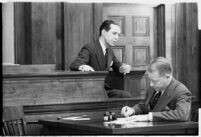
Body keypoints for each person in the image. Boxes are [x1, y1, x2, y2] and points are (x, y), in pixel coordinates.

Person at [70, 20, 132, 98]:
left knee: (126, 95)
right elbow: (75, 64)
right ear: (103, 32)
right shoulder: (90, 48)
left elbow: (117, 64)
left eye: (118, 35)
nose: (116, 38)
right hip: (90, 91)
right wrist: (83, 67)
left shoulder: (109, 51)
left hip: (104, 89)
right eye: (114, 33)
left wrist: (123, 68)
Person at [121, 57, 192, 121]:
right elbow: (143, 106)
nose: (151, 84)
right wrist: (132, 110)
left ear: (167, 76)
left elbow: (182, 115)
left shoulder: (181, 91)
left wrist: (149, 117)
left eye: (155, 81)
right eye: (150, 80)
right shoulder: (154, 87)